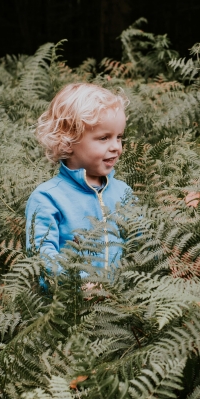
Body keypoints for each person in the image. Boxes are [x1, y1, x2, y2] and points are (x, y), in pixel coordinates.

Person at [25, 82, 133, 279]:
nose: (116, 147)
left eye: (119, 137)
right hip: (70, 305)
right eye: (104, 138)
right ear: (68, 141)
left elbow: (141, 244)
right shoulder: (48, 197)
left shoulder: (123, 192)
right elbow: (42, 257)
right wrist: (79, 285)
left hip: (122, 303)